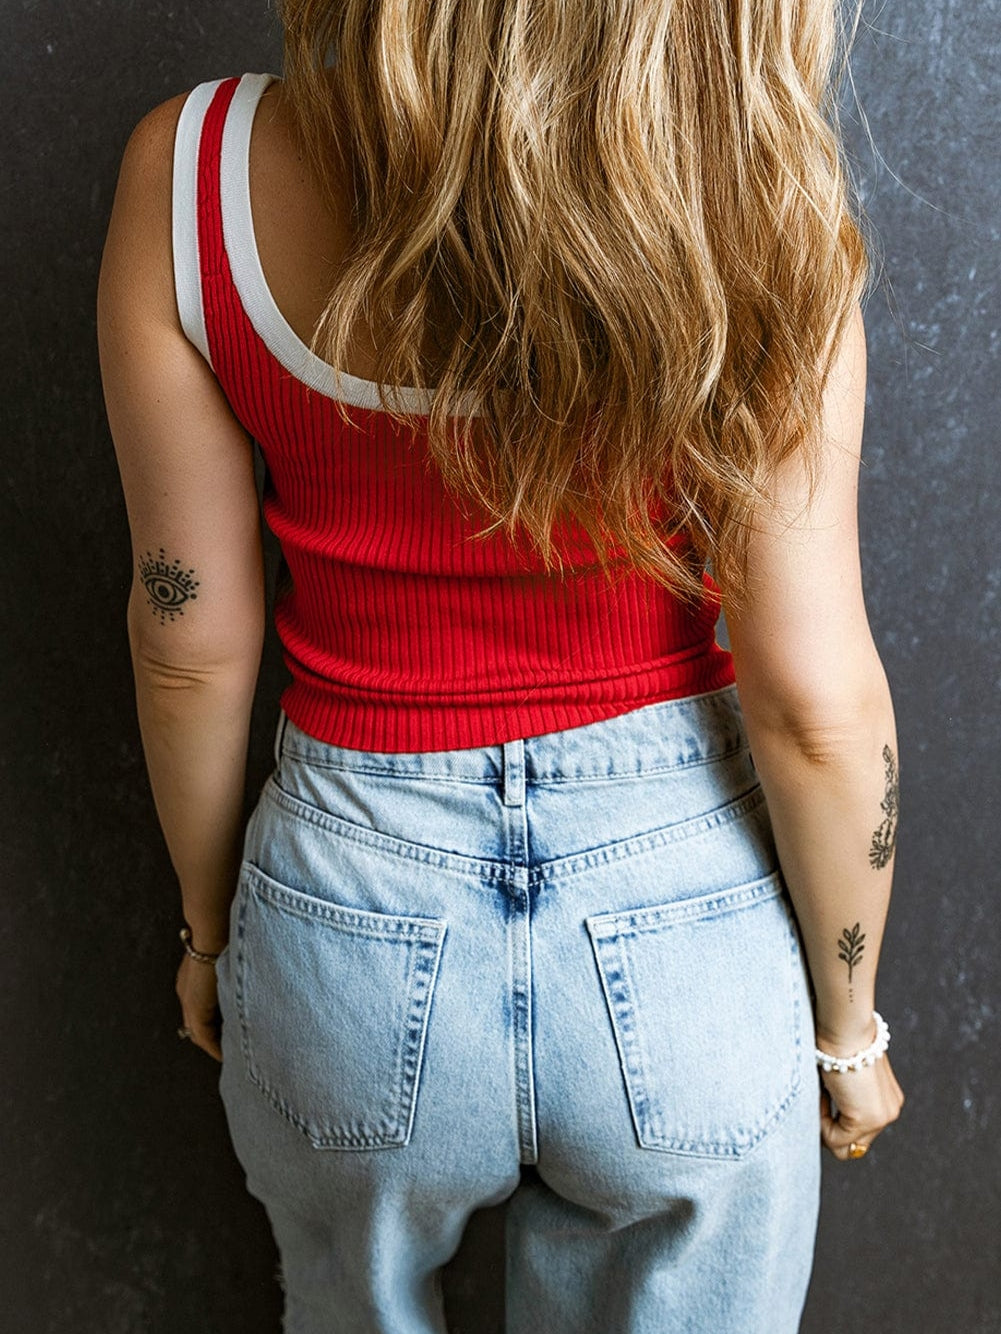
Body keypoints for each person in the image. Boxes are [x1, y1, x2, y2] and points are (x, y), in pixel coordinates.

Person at [98, 1, 905, 1329]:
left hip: (346, 922)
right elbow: (812, 700)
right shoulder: (763, 196)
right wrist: (849, 1028)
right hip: (683, 936)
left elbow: (186, 640)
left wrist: (210, 936)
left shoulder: (193, 171)